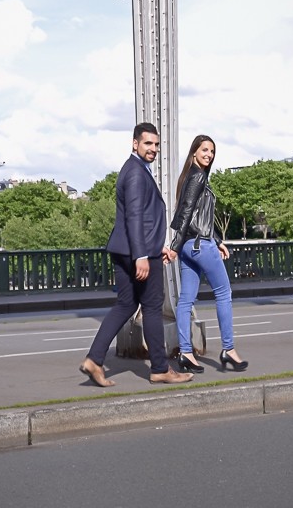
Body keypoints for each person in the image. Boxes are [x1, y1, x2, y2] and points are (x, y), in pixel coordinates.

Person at [78, 121, 192, 387]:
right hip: (136, 252)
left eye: (156, 144)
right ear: (135, 144)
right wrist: (142, 255)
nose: (153, 149)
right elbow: (135, 218)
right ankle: (161, 369)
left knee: (126, 305)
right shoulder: (136, 173)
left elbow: (140, 219)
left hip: (128, 249)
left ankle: (94, 360)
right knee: (153, 307)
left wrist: (155, 246)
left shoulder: (134, 169)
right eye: (148, 143)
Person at [170, 134, 247, 373]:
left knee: (185, 300)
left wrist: (218, 240)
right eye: (204, 150)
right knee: (223, 292)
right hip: (199, 245)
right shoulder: (198, 176)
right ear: (194, 151)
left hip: (189, 246)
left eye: (212, 151)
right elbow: (185, 213)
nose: (209, 155)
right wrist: (173, 246)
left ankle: (185, 353)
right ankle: (228, 349)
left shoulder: (188, 177)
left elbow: (196, 217)